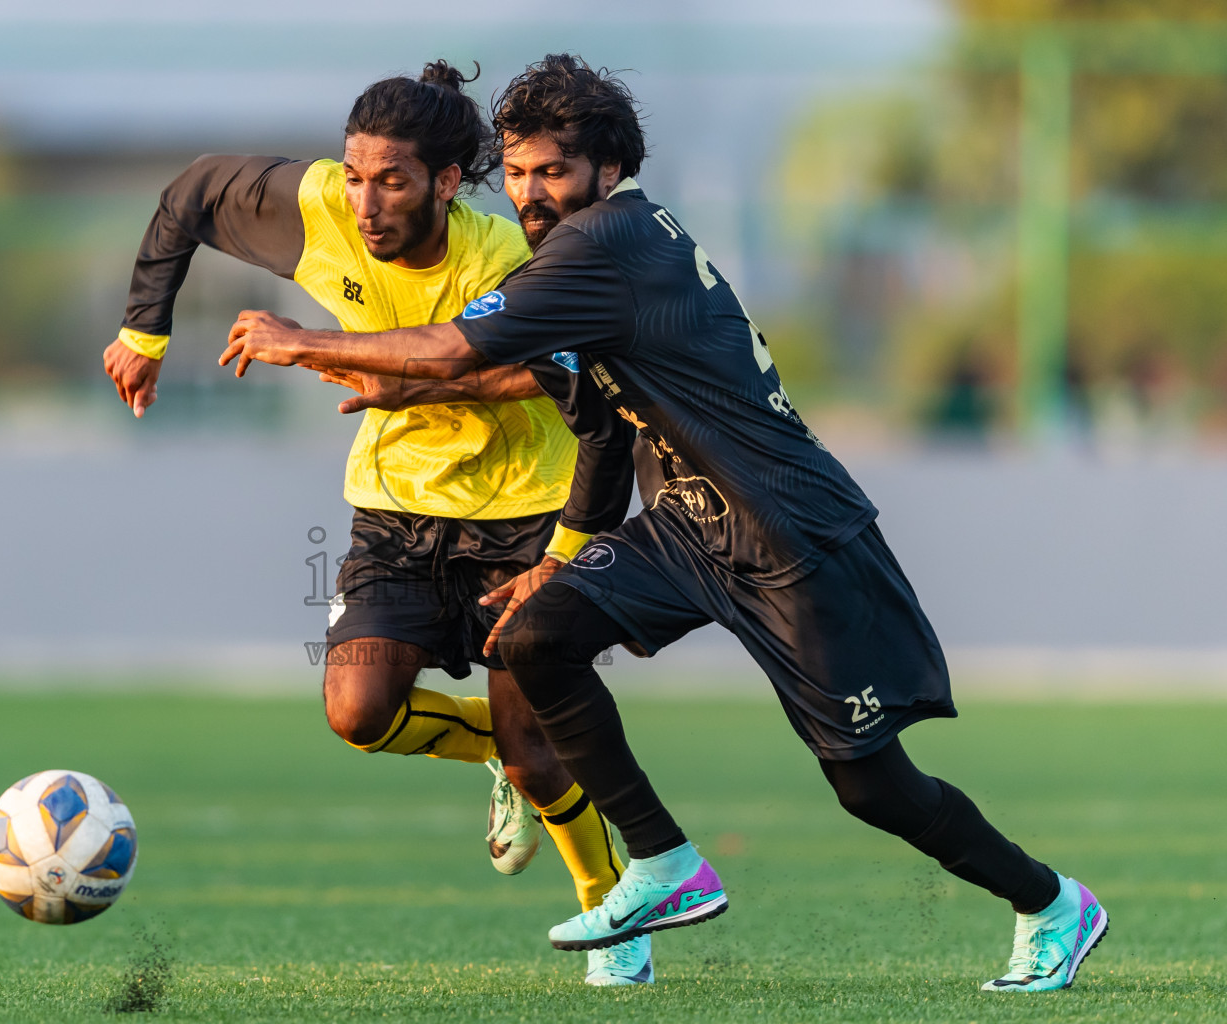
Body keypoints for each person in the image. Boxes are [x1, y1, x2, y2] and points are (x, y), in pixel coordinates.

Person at [218, 54, 1110, 994]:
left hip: (789, 536)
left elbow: (454, 348)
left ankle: (1050, 903)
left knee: (873, 789)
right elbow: (599, 427)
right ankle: (664, 864)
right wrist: (560, 556)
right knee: (535, 636)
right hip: (688, 522)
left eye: (552, 171)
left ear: (608, 169)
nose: (530, 193)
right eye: (516, 171)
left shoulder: (605, 244)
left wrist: (303, 339)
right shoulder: (595, 251)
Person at [103, 61, 651, 986]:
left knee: (538, 759)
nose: (364, 202)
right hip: (396, 511)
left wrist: (389, 374)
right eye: (355, 174)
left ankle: (612, 921)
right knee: (357, 713)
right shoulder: (319, 207)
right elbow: (191, 193)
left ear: (443, 182)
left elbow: (548, 373)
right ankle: (505, 748)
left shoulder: (507, 257)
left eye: (391, 180)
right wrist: (144, 332)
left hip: (523, 515)